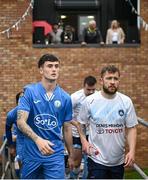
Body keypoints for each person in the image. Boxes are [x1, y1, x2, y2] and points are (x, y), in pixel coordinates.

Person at [17, 54, 74, 179]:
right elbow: (21, 122)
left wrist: (70, 155)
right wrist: (38, 140)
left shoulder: (65, 98)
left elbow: (67, 128)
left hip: (55, 154)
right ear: (41, 70)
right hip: (31, 153)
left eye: (56, 66)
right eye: (50, 66)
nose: (54, 69)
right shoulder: (29, 92)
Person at [78, 65, 138, 179]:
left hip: (118, 161)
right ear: (101, 81)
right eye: (109, 78)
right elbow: (81, 123)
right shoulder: (90, 101)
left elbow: (131, 128)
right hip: (96, 159)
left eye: (115, 79)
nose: (112, 82)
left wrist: (132, 151)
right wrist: (84, 141)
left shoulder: (126, 101)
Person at [70, 76, 97, 179]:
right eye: (88, 89)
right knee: (76, 162)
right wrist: (77, 124)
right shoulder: (75, 97)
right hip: (76, 133)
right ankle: (73, 177)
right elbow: (66, 116)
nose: (91, 92)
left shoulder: (97, 97)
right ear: (83, 86)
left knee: (89, 162)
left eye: (93, 90)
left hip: (90, 134)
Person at [5, 91, 24, 178]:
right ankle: (18, 176)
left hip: (35, 142)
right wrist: (11, 146)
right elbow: (8, 129)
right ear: (17, 102)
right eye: (21, 99)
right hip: (21, 141)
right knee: (17, 161)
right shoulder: (12, 114)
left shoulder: (35, 110)